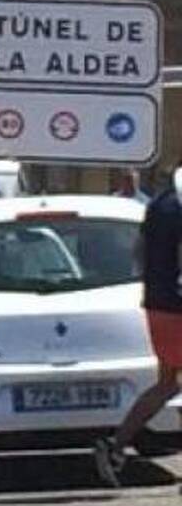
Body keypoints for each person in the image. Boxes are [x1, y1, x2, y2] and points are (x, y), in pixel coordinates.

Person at [94, 161, 182, 486]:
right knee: (170, 383)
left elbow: (139, 252)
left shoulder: (158, 205)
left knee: (168, 382)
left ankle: (115, 446)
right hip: (178, 305)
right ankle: (115, 447)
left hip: (157, 305)